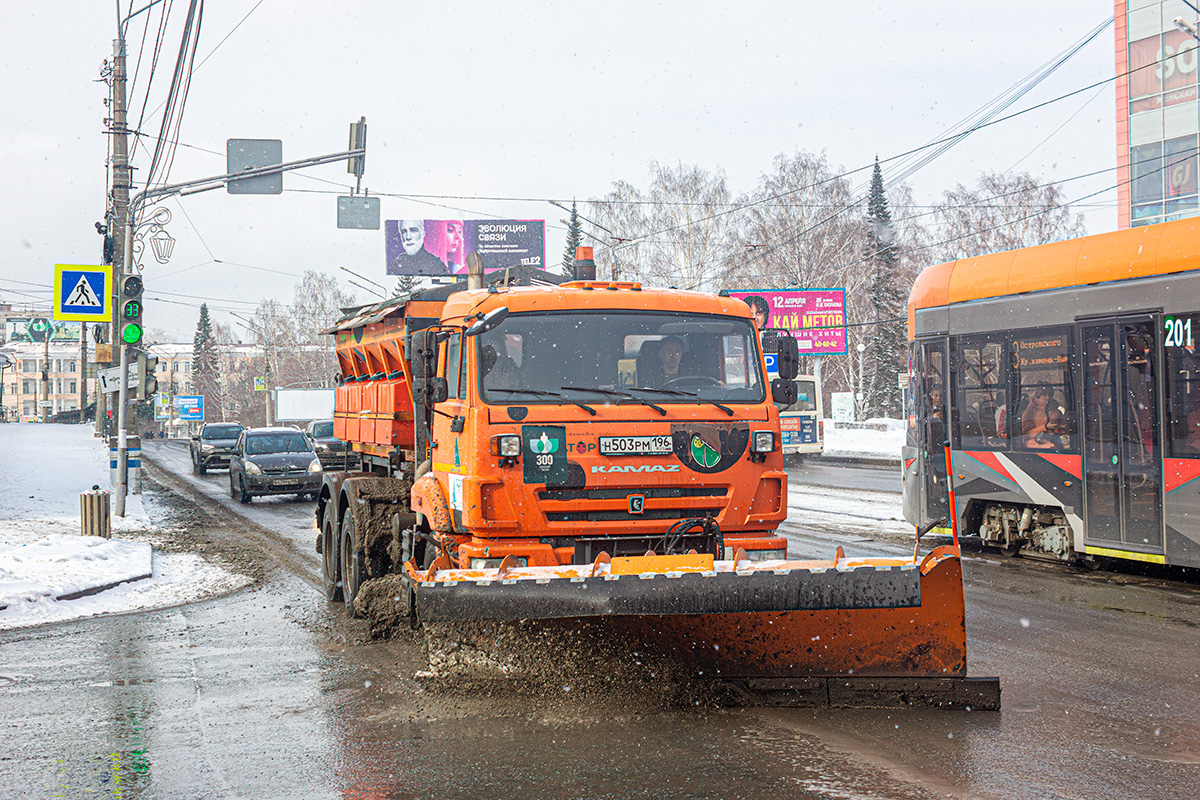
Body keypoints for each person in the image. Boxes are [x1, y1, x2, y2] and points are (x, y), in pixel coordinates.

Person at [1020, 384, 1066, 449]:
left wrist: (1060, 428)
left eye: (1049, 395)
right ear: (1038, 396)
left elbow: (1064, 428)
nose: (1047, 397)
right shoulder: (1030, 412)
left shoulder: (1056, 411)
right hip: (1035, 447)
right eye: (1044, 395)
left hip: (1055, 443)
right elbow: (1025, 435)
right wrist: (1045, 427)